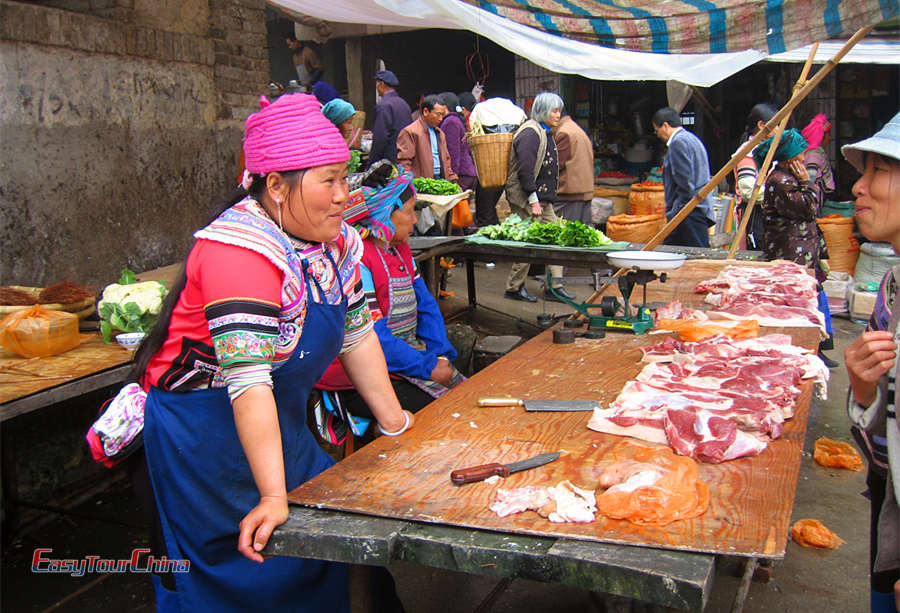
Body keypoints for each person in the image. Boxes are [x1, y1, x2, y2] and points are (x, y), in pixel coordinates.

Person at [130, 93, 414, 611]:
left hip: (277, 422)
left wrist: (397, 426)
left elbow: (357, 335)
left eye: (343, 178)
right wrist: (272, 496)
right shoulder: (238, 252)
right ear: (276, 186)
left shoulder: (336, 243)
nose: (342, 195)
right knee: (241, 566)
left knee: (316, 549)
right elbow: (248, 381)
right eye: (328, 181)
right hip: (205, 437)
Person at [317, 161, 465, 440]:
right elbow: (372, 337)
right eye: (409, 212)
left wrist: (439, 353)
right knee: (440, 417)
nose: (414, 221)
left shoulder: (400, 251)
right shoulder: (358, 259)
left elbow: (426, 305)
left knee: (463, 396)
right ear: (386, 213)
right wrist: (427, 367)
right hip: (359, 376)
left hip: (406, 358)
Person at [842, 111, 900, 613]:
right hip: (891, 522)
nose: (859, 186)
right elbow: (882, 456)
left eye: (879, 170)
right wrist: (864, 393)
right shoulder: (890, 292)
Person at [753, 128, 835, 366]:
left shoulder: (789, 180)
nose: (802, 160)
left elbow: (810, 220)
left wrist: (823, 251)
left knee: (812, 297)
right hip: (789, 253)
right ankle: (804, 349)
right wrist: (807, 182)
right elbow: (809, 209)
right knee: (795, 304)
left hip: (803, 251)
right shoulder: (780, 181)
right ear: (788, 158)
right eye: (799, 156)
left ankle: (818, 346)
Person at [503, 91, 574, 303]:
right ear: (542, 111)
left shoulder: (544, 131)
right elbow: (525, 170)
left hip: (544, 199)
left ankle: (554, 286)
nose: (557, 115)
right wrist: (533, 200)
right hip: (527, 197)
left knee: (556, 240)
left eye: (559, 110)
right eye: (554, 110)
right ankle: (514, 287)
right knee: (528, 242)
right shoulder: (530, 133)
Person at [651, 107, 716, 248]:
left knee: (700, 257)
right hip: (693, 208)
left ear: (666, 126)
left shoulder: (677, 143)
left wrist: (676, 212)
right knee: (670, 252)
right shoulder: (692, 139)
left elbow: (684, 183)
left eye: (657, 130)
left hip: (689, 211)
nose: (657, 135)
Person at [734, 103, 778, 250]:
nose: (779, 130)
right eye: (776, 125)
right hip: (754, 217)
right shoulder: (748, 153)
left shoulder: (766, 149)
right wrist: (779, 196)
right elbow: (748, 191)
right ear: (761, 125)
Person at [396, 94, 458, 183]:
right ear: (425, 111)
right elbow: (404, 163)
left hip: (440, 179)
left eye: (443, 115)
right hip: (421, 183)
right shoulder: (410, 132)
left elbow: (447, 162)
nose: (441, 119)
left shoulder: (440, 134)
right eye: (438, 114)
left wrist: (453, 180)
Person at [553, 111, 595, 226]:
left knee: (565, 235)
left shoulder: (564, 133)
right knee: (581, 236)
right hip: (582, 191)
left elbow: (556, 165)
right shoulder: (575, 129)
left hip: (570, 194)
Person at [439, 92, 477, 200]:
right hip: (465, 173)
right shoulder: (455, 120)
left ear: (444, 107)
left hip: (462, 174)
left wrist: (453, 180)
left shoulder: (451, 122)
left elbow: (453, 153)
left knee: (457, 214)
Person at [370, 70, 412, 165]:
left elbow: (380, 138)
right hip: (404, 156)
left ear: (382, 84)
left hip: (389, 159)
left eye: (377, 84)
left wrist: (372, 163)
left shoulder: (384, 105)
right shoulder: (403, 103)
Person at [802, 113, 836, 194]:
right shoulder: (813, 155)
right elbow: (811, 178)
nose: (830, 138)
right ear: (821, 136)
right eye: (828, 134)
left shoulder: (817, 152)